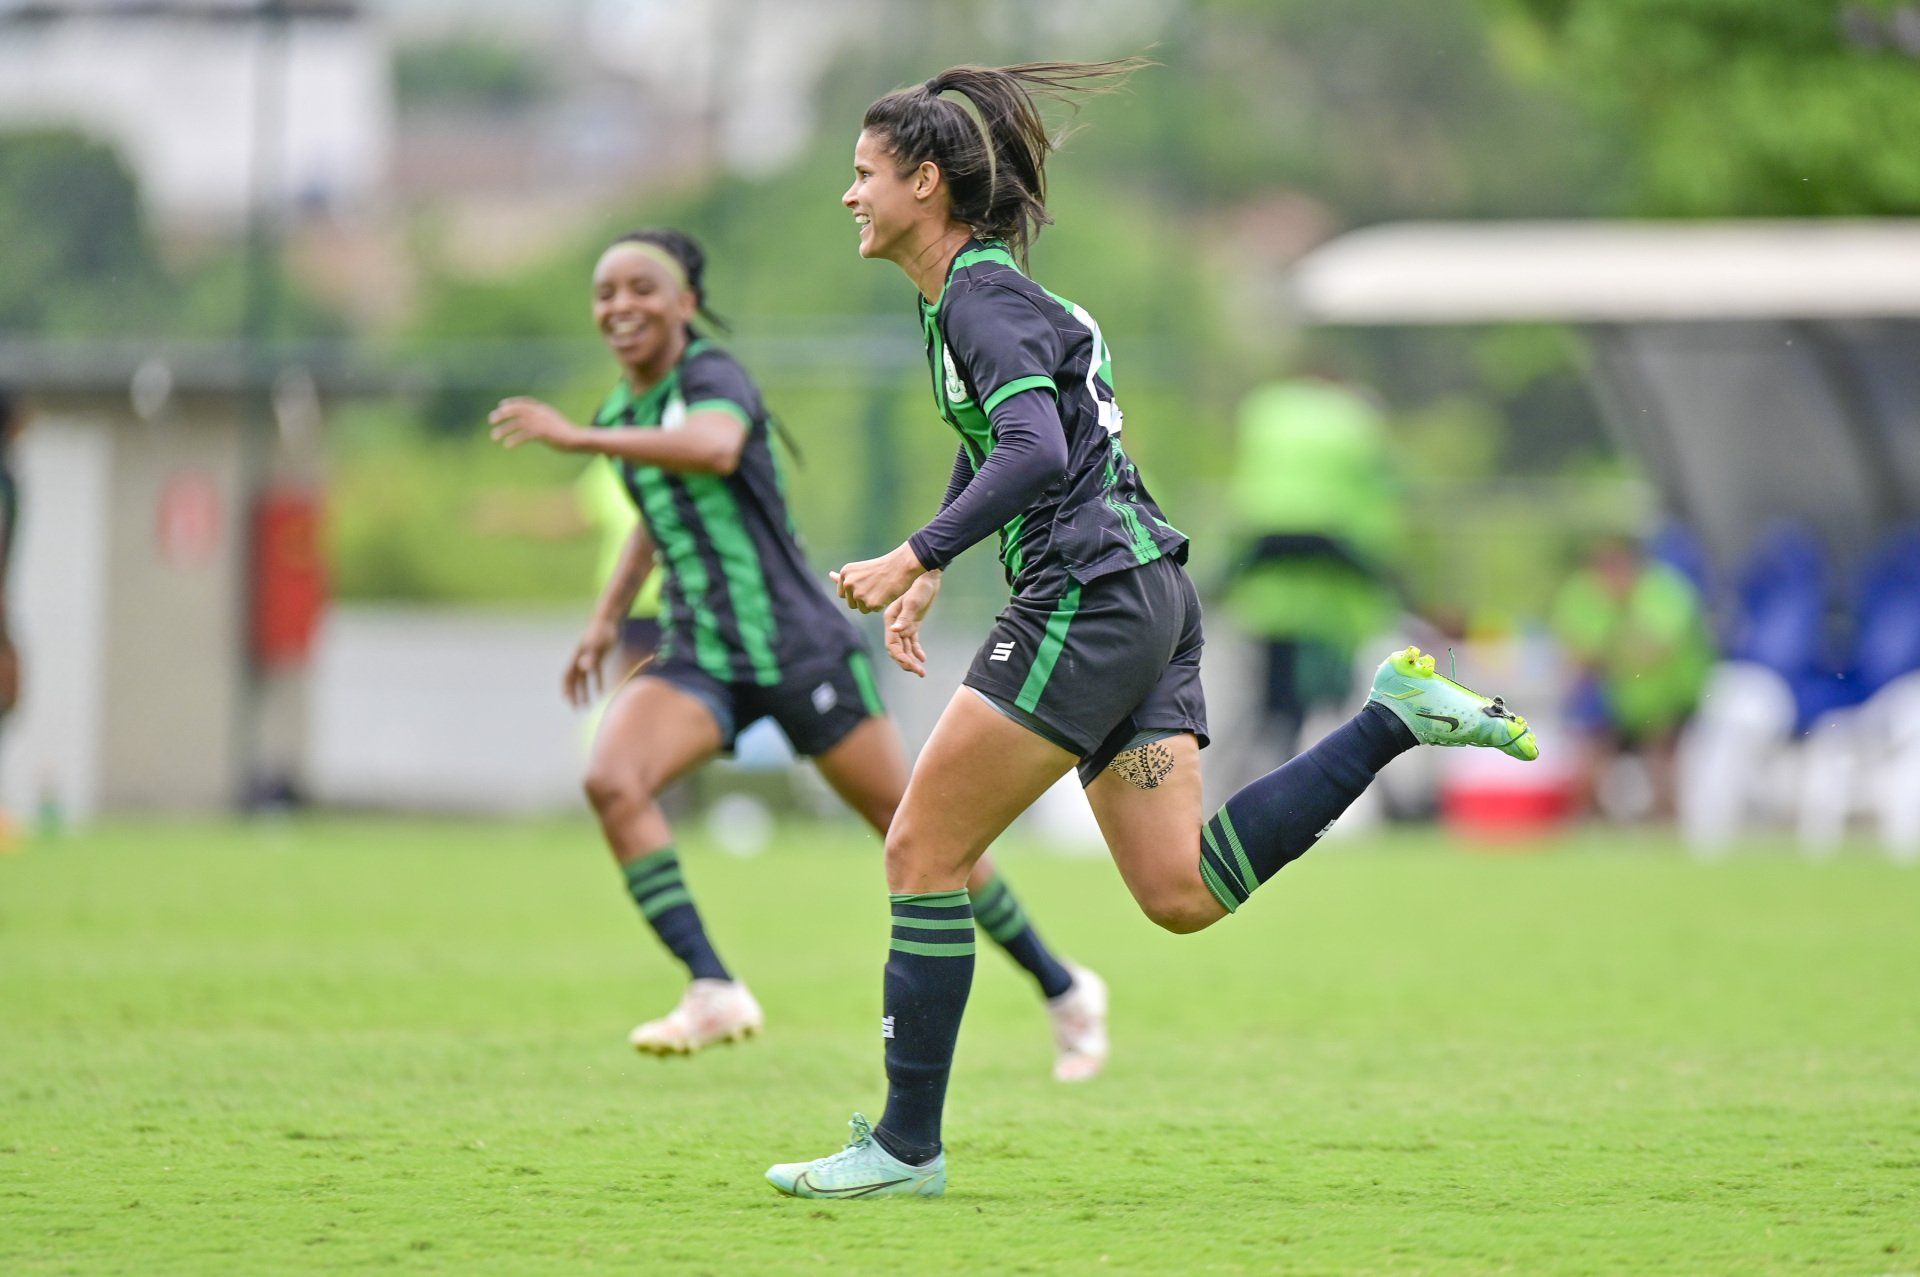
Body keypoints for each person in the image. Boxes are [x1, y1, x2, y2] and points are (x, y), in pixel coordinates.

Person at [765, 61, 1539, 1199]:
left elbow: (1032, 449)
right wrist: (936, 558)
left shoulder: (979, 302)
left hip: (1088, 597)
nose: (851, 196)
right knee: (1180, 889)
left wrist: (916, 555)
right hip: (1146, 592)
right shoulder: (986, 300)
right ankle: (1389, 718)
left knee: (923, 851)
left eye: (865, 174)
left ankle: (906, 1148)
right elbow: (1005, 435)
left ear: (926, 184)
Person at [489, 228, 1108, 1077]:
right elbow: (653, 511)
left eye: (642, 287)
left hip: (800, 651)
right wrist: (603, 617)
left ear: (685, 304)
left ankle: (1061, 985)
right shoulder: (622, 415)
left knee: (919, 835)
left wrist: (577, 440)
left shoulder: (714, 380)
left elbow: (708, 450)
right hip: (704, 653)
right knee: (612, 777)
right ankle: (712, 985)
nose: (621, 305)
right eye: (606, 292)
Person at [1222, 376, 1401, 762]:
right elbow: (1376, 502)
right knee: (1334, 701)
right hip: (1333, 599)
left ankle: (1263, 765)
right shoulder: (1354, 420)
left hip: (1275, 596)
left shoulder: (1267, 411)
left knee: (1276, 707)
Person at [1551, 536, 1713, 820]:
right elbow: (1572, 655)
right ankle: (1589, 825)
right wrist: (1616, 649)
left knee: (1663, 755)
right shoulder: (1582, 592)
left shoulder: (1665, 590)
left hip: (1668, 694)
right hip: (1613, 694)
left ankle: (1667, 824)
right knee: (1589, 752)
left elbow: (1649, 651)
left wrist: (1603, 650)